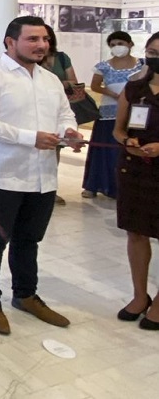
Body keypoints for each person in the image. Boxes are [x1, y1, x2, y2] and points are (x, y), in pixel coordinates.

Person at [0, 16, 83, 336]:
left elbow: (64, 114)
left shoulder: (49, 79)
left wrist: (68, 132)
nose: (41, 45)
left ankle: (26, 295)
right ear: (9, 42)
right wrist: (28, 137)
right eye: (32, 39)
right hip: (3, 174)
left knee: (29, 239)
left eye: (44, 39)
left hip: (43, 175)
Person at [112, 32, 159, 330]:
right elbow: (117, 129)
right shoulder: (134, 88)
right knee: (136, 234)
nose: (157, 57)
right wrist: (126, 139)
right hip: (135, 171)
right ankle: (140, 295)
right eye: (153, 52)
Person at [82, 31, 143, 199]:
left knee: (127, 150)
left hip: (134, 113)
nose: (118, 47)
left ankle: (126, 186)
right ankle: (94, 184)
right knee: (103, 149)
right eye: (113, 44)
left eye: (121, 43)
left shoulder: (141, 64)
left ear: (130, 44)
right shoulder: (103, 66)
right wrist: (113, 94)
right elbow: (95, 86)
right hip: (108, 112)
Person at [39, 25, 78, 206]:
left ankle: (50, 189)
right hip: (38, 110)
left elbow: (73, 82)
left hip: (57, 110)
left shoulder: (62, 58)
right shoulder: (32, 60)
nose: (42, 43)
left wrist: (57, 83)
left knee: (55, 149)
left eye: (46, 39)